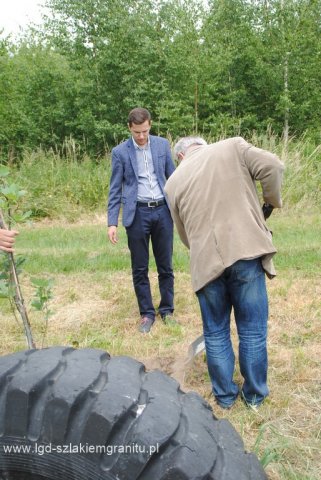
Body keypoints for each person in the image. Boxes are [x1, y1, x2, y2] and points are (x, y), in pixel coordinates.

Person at [165, 136, 284, 409]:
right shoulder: (233, 146)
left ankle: (225, 398)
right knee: (252, 330)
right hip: (244, 251)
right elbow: (274, 167)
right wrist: (269, 204)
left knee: (216, 332)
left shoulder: (172, 183)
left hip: (205, 265)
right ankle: (254, 397)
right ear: (202, 144)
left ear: (180, 157)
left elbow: (185, 235)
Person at [107, 108, 176, 333]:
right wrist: (112, 222)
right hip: (137, 214)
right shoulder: (120, 152)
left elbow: (174, 178)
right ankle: (147, 314)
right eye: (137, 132)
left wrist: (182, 208)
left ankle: (167, 310)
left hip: (162, 211)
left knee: (165, 265)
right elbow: (115, 189)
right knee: (140, 267)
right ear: (129, 128)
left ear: (150, 125)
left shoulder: (162, 145)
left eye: (145, 131)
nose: (141, 136)